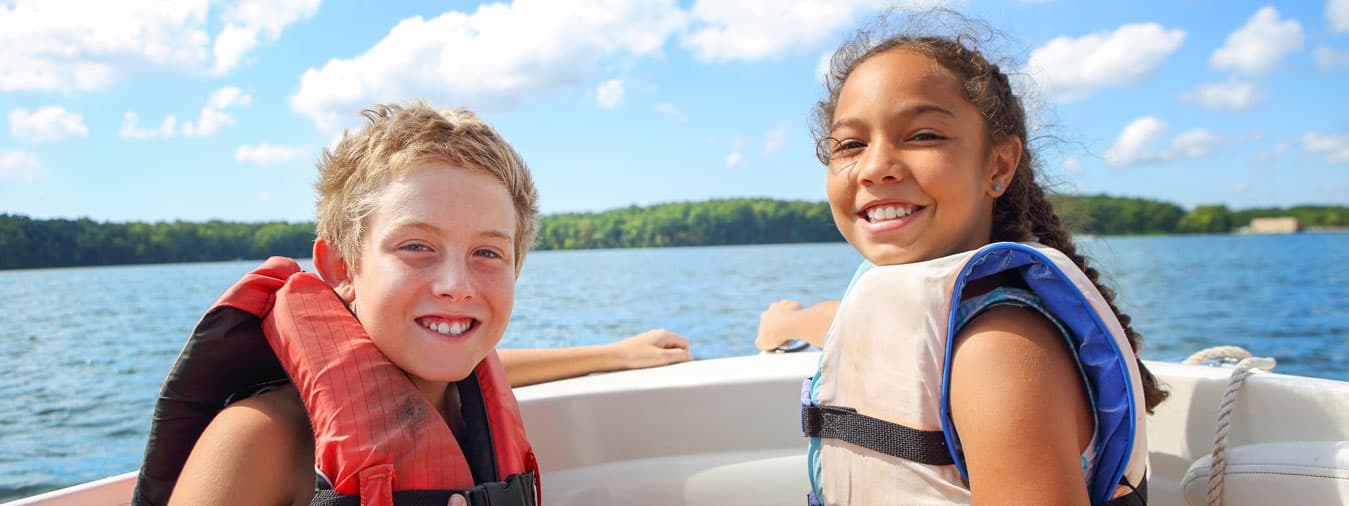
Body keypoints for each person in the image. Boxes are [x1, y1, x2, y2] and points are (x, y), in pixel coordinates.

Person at [131, 102, 685, 506]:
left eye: (487, 252)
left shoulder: (458, 390)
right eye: (417, 246)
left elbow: (492, 364)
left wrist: (614, 353)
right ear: (342, 269)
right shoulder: (261, 439)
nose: (456, 284)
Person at [796, 11, 1166, 506]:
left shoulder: (998, 351)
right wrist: (786, 322)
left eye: (923, 135)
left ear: (998, 165)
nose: (876, 166)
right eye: (850, 144)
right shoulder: (925, 309)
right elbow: (870, 332)